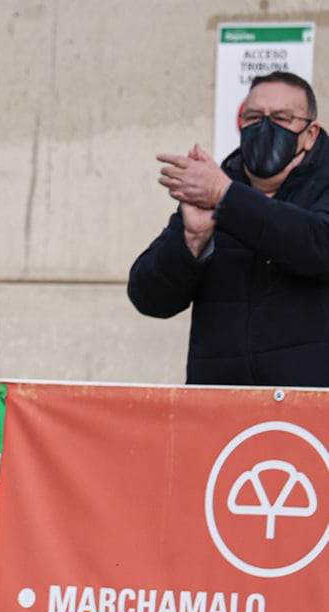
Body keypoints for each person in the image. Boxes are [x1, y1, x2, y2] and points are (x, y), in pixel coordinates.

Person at [128, 71, 329, 386]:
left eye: (282, 118)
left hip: (310, 414)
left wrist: (228, 198)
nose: (265, 127)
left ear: (310, 133)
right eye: (253, 117)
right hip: (223, 415)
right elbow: (148, 297)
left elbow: (319, 248)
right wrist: (192, 240)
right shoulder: (213, 192)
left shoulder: (221, 191)